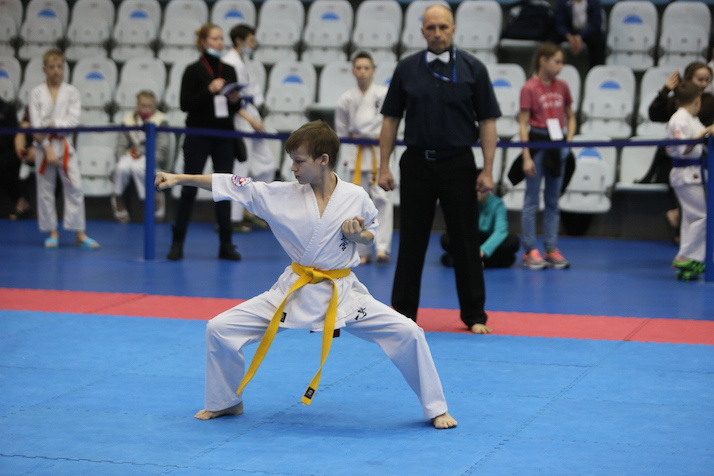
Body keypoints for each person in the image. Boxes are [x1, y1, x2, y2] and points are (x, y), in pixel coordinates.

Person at [154, 120, 458, 430]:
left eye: (299, 161)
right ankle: (225, 402)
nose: (293, 168)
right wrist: (180, 178)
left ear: (323, 160)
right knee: (220, 328)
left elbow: (370, 236)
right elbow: (233, 184)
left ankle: (436, 408)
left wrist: (358, 236)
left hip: (342, 293)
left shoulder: (356, 196)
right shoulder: (279, 194)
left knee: (409, 332)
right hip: (294, 290)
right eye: (292, 160)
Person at [378, 4, 499, 335]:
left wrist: (488, 170)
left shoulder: (474, 69)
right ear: (422, 31)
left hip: (458, 163)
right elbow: (390, 119)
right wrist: (383, 166)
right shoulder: (407, 68)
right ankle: (403, 313)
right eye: (431, 28)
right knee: (411, 240)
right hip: (416, 162)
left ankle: (474, 314)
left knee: (465, 240)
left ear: (454, 29)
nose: (437, 33)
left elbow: (487, 122)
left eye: (443, 27)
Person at [167, 23, 243, 261]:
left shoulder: (229, 69)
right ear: (203, 42)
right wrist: (209, 90)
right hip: (198, 134)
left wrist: (235, 99)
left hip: (224, 135)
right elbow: (185, 104)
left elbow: (236, 107)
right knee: (189, 186)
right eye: (214, 39)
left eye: (221, 38)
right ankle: (177, 242)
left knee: (225, 189)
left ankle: (226, 244)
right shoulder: (193, 70)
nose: (220, 43)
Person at [28, 48, 99, 249]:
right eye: (52, 67)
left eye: (59, 66)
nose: (56, 70)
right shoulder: (36, 93)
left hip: (65, 145)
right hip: (43, 147)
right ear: (44, 69)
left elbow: (73, 121)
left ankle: (79, 233)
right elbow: (35, 125)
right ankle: (52, 231)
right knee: (45, 191)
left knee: (75, 187)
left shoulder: (72, 92)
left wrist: (53, 125)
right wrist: (47, 147)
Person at [518, 43, 576, 270]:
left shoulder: (563, 86)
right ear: (543, 60)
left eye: (562, 62)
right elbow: (523, 124)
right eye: (557, 61)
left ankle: (551, 248)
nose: (560, 66)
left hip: (558, 143)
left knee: (553, 200)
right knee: (531, 201)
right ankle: (530, 250)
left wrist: (567, 141)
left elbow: (571, 116)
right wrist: (526, 156)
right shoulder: (529, 87)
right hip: (537, 142)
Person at [335, 51, 393, 265]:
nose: (362, 72)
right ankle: (361, 251)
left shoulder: (384, 94)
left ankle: (382, 247)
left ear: (373, 71)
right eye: (358, 68)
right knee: (356, 203)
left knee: (383, 201)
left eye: (366, 68)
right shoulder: (346, 99)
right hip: (356, 152)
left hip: (379, 152)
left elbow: (392, 125)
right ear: (353, 71)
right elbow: (341, 131)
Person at [645, 62, 714, 241]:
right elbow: (654, 114)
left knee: (694, 215)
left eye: (707, 80)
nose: (703, 84)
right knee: (700, 216)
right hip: (684, 167)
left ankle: (687, 251)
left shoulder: (700, 107)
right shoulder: (681, 115)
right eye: (700, 79)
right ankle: (687, 252)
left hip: (699, 165)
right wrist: (666, 90)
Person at [222, 23, 274, 233]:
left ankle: (249, 209)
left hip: (251, 113)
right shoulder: (229, 62)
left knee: (267, 164)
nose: (253, 44)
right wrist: (250, 120)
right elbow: (229, 97)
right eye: (251, 40)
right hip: (240, 117)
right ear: (239, 41)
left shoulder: (244, 60)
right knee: (241, 168)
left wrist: (256, 117)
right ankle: (232, 218)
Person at [665, 81, 713, 281]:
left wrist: (707, 131)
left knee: (691, 218)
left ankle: (691, 261)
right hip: (685, 172)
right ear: (697, 100)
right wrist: (704, 133)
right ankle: (684, 257)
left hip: (693, 172)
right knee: (703, 216)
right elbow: (682, 148)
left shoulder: (691, 118)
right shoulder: (679, 119)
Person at [111, 90, 170, 223]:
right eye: (143, 106)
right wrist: (124, 156)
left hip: (151, 156)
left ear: (155, 106)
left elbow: (162, 148)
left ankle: (153, 198)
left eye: (150, 106)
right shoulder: (128, 121)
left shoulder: (161, 121)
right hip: (130, 155)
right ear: (137, 106)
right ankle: (118, 198)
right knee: (121, 167)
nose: (146, 109)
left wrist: (151, 159)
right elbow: (121, 145)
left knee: (138, 168)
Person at [441, 191, 520, 269]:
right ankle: (487, 262)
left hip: (490, 240)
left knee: (513, 241)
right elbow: (459, 229)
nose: (478, 192)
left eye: (480, 189)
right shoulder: (465, 202)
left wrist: (482, 251)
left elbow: (500, 232)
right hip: (471, 240)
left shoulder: (497, 203)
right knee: (446, 239)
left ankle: (467, 261)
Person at [1, 97, 31, 220]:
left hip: (9, 150)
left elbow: (11, 137)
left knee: (2, 165)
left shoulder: (6, 109)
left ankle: (21, 201)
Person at [554, 0, 605, 69]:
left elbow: (595, 24)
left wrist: (580, 36)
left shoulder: (594, 2)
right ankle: (553, 66)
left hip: (588, 32)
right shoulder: (562, 2)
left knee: (598, 40)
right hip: (569, 32)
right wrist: (568, 36)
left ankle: (596, 69)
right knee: (553, 38)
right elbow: (559, 24)